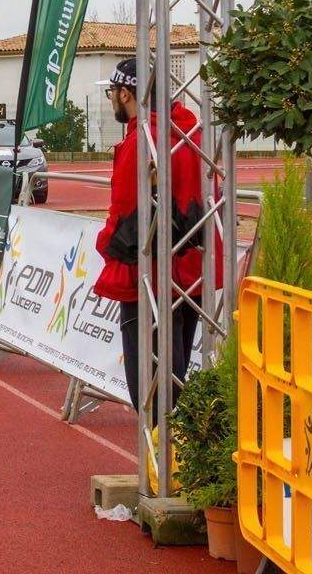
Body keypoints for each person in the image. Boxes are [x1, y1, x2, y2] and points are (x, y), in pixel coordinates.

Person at [94, 57, 221, 418]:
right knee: (175, 376)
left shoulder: (141, 141)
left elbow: (123, 216)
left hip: (149, 276)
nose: (113, 101)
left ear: (125, 93)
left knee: (151, 388)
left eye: (112, 94)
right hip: (190, 274)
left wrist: (104, 244)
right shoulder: (193, 133)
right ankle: (175, 458)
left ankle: (163, 466)